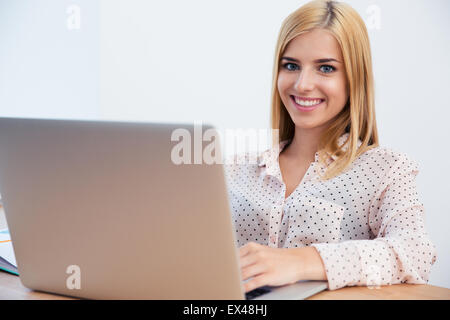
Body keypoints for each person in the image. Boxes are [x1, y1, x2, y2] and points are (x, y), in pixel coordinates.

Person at [224, 0, 437, 293]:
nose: (302, 84)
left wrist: (302, 261)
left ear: (354, 78)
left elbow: (417, 254)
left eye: (325, 68)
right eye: (291, 66)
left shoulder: (387, 170)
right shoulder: (234, 171)